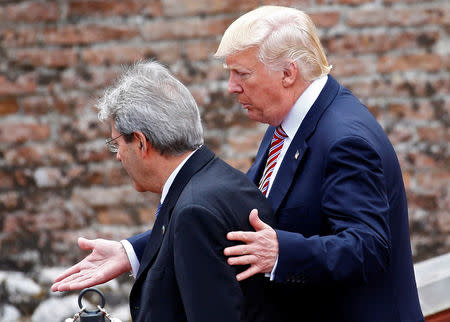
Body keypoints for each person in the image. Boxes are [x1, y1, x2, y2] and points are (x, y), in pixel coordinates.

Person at [53, 5, 424, 322]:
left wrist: (282, 252)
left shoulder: (346, 139)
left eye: (242, 74)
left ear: (288, 73)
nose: (231, 86)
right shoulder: (287, 119)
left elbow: (370, 247)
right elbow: (235, 215)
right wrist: (133, 250)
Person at [53, 60, 277, 322]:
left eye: (117, 144)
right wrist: (130, 252)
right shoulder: (219, 181)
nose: (118, 157)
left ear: (140, 142)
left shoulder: (194, 211)